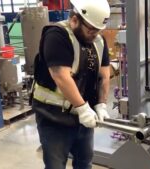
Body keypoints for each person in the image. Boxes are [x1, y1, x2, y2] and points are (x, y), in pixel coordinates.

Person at [31, 0, 111, 168]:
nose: (95, 34)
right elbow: (60, 76)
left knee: (84, 162)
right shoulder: (56, 35)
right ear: (75, 20)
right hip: (53, 117)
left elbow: (104, 75)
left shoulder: (98, 40)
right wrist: (82, 108)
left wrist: (102, 104)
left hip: (84, 115)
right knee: (56, 165)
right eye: (91, 29)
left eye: (98, 30)